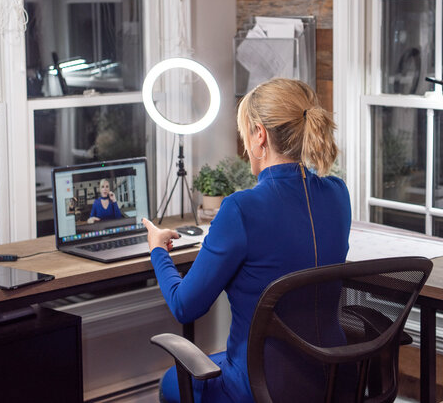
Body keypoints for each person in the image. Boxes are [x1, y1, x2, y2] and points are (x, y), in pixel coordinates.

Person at [144, 78, 351, 403]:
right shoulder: (338, 193)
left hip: (261, 389)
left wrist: (158, 250)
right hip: (333, 381)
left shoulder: (241, 208)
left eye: (245, 134)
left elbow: (185, 306)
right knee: (219, 358)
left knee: (173, 381)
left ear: (260, 135)